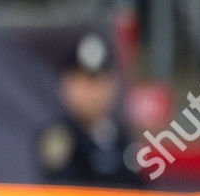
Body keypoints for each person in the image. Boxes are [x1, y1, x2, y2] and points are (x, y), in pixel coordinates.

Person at [35, 33, 143, 187]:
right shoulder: (59, 137)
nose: (93, 94)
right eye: (84, 84)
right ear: (67, 86)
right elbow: (63, 192)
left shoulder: (121, 138)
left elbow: (141, 192)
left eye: (99, 82)